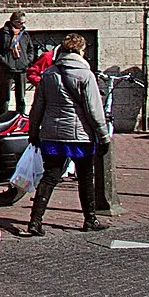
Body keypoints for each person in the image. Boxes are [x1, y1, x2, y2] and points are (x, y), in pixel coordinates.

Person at [25, 32, 112, 235]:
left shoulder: (49, 74)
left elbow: (38, 106)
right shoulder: (86, 75)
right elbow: (94, 109)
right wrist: (103, 134)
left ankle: (35, 221)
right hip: (80, 135)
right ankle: (90, 219)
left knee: (49, 177)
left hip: (52, 135)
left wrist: (34, 131)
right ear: (81, 51)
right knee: (85, 177)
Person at [0, 13, 34, 117]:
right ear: (13, 21)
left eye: (23, 22)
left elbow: (31, 49)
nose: (22, 25)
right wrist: (4, 61)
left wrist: (27, 61)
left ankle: (20, 118)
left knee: (21, 97)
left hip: (21, 68)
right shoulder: (2, 33)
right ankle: (3, 119)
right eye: (20, 22)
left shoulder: (25, 34)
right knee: (5, 97)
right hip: (6, 69)